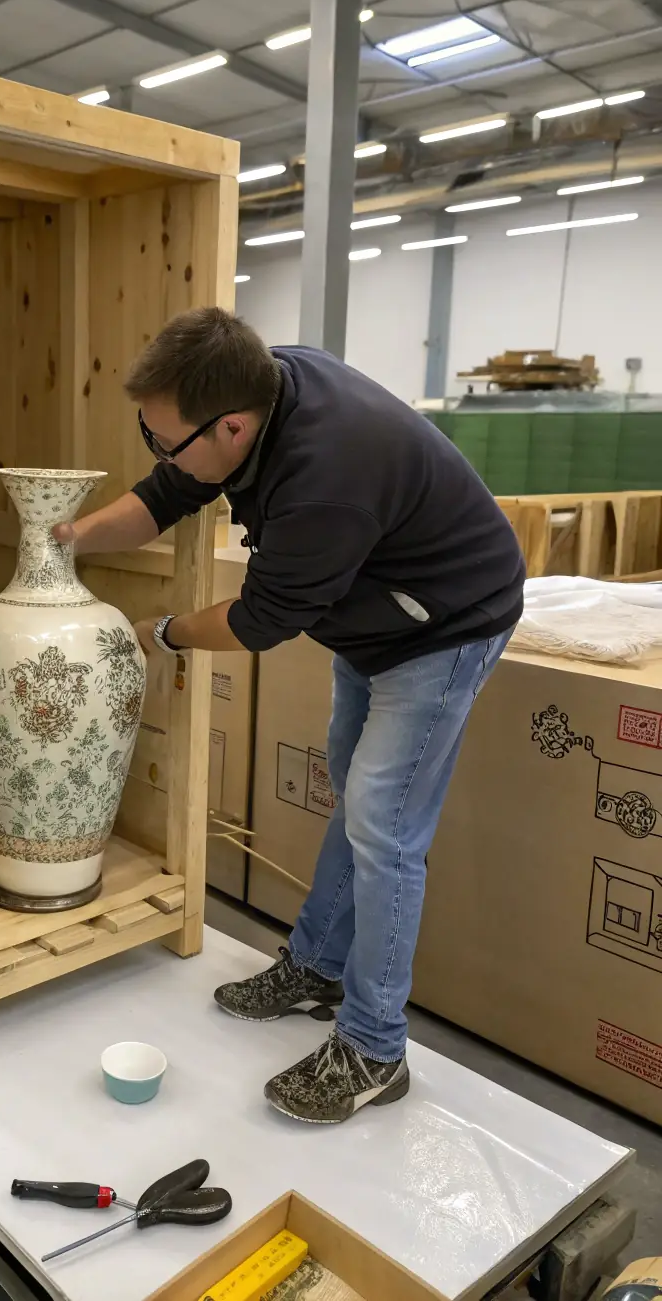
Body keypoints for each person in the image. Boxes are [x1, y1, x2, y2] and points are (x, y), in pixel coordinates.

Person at [54, 308, 524, 1126]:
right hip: (376, 609)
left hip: (447, 621)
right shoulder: (255, 389)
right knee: (356, 790)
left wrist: (161, 633)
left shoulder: (325, 480)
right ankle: (316, 967)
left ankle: (375, 1047)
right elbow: (168, 492)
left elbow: (257, 623)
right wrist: (66, 537)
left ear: (231, 427)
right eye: (147, 432)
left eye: (164, 439)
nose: (157, 452)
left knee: (386, 823)